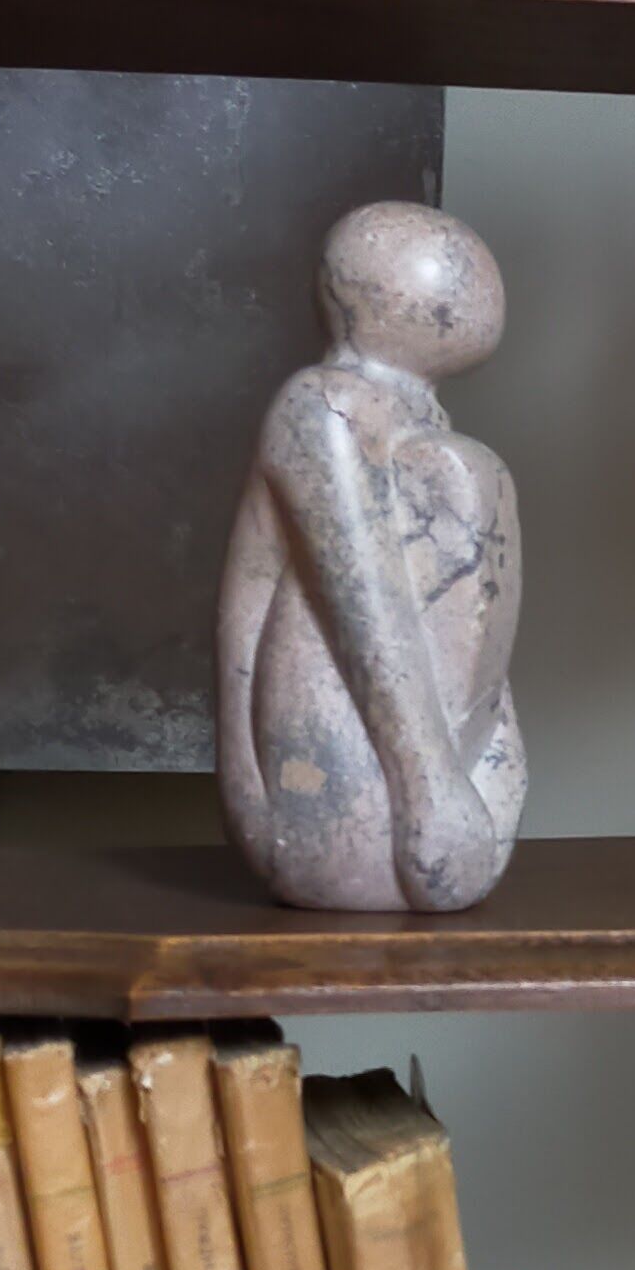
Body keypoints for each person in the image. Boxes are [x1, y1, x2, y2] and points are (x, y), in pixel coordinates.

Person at [217, 201, 527, 911]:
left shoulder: (417, 420)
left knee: (460, 471)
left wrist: (491, 745)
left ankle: (440, 789)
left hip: (444, 769)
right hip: (338, 767)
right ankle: (419, 796)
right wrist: (427, 785)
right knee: (451, 473)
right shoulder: (322, 402)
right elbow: (363, 600)